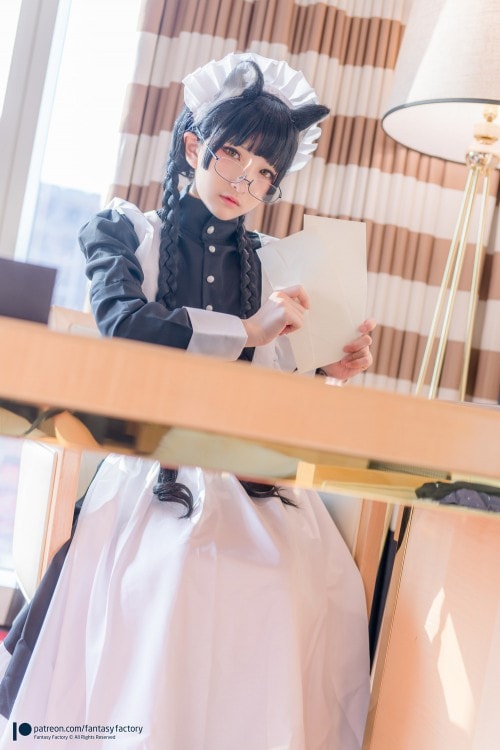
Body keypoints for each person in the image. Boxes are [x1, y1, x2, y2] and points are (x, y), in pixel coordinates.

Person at [0, 53, 375, 749]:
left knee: (289, 585)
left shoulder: (275, 261)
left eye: (264, 173)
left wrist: (328, 364)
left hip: (253, 479)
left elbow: (273, 387)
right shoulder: (125, 232)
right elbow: (123, 324)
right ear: (196, 146)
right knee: (174, 575)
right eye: (233, 155)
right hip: (148, 471)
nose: (245, 182)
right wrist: (248, 330)